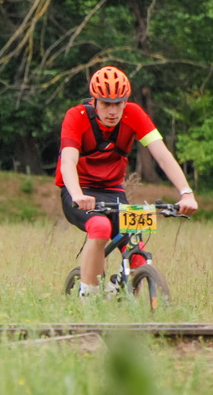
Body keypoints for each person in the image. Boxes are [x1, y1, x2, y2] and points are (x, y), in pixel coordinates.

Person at [55, 66, 198, 297]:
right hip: (78, 191)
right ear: (94, 101)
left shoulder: (134, 114)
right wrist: (78, 195)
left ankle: (122, 293)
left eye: (119, 103)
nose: (113, 111)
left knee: (137, 247)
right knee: (100, 227)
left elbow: (162, 155)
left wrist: (186, 193)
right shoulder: (76, 116)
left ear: (126, 101)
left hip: (113, 191)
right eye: (106, 104)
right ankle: (88, 297)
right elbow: (68, 161)